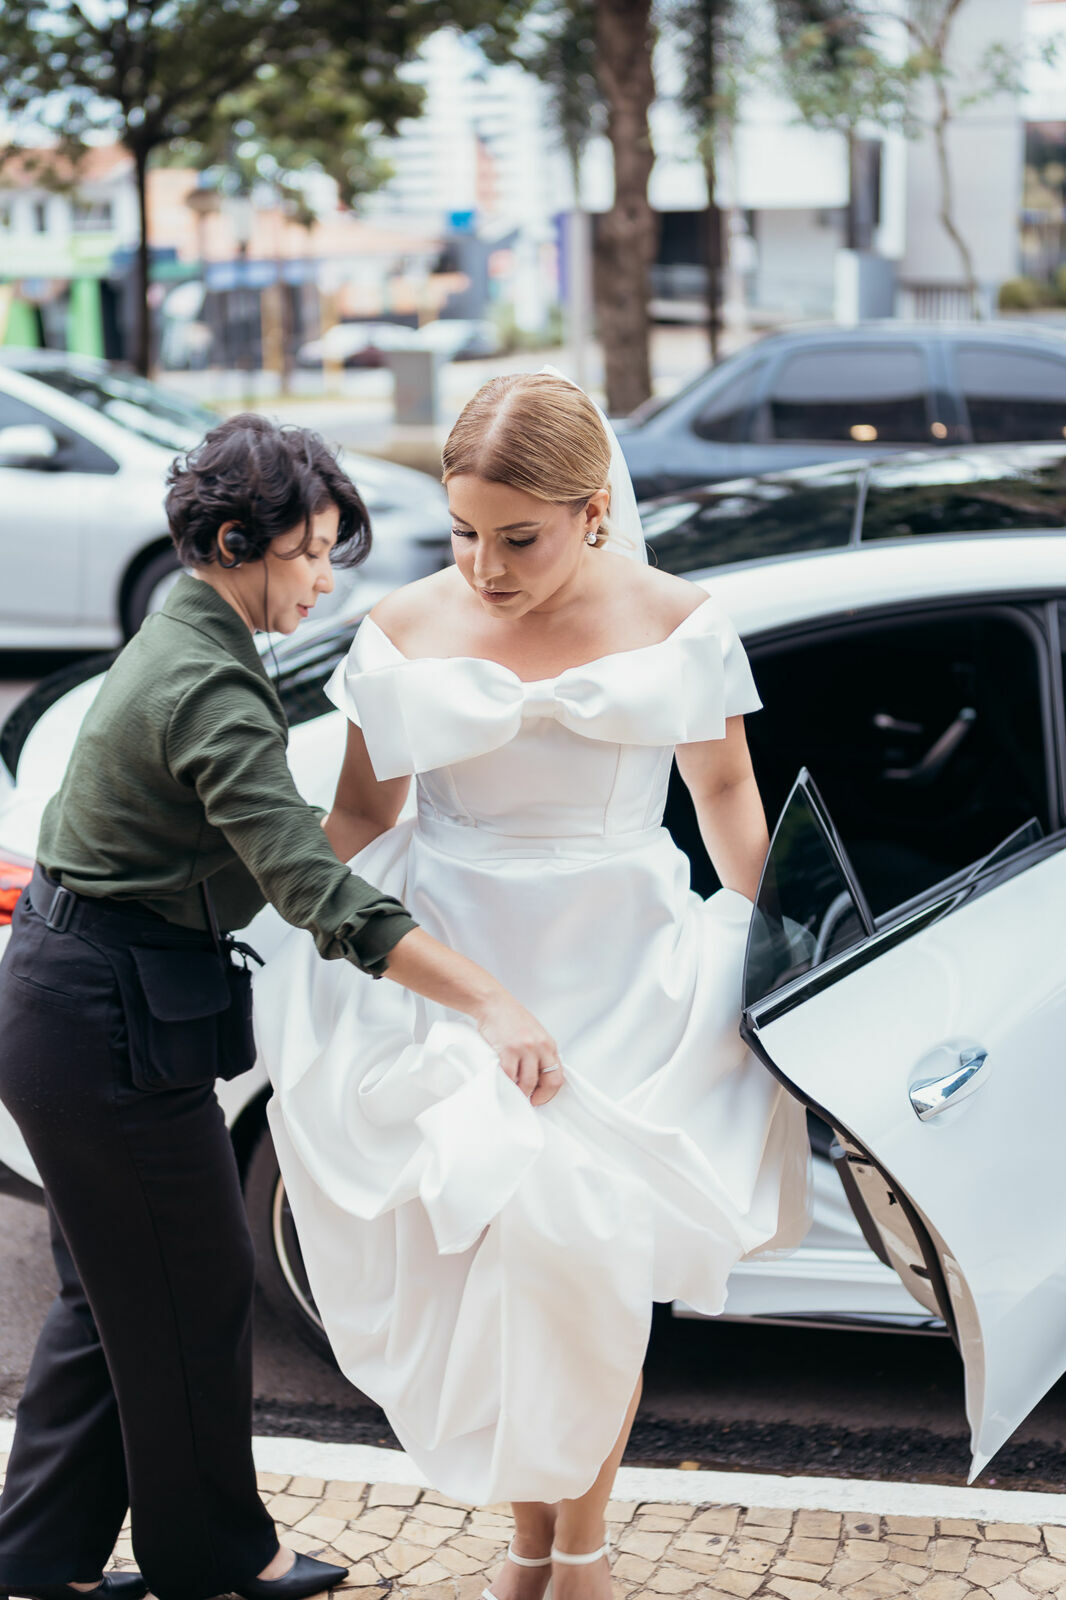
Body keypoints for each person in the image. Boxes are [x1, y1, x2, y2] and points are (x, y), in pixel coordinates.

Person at [257, 372, 812, 1600]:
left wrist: (779, 941)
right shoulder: (404, 627)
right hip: (459, 962)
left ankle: (580, 1548)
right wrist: (279, 925)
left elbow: (723, 790)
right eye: (464, 532)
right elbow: (360, 814)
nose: (485, 567)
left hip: (626, 970)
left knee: (594, 1266)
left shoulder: (679, 621)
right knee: (509, 1258)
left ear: (593, 510)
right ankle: (528, 1542)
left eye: (519, 537)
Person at [0, 415, 559, 1600]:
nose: (323, 579)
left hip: (72, 1002)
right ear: (234, 544)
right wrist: (488, 998)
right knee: (193, 1292)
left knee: (110, 1297)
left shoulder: (187, 631)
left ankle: (36, 1559)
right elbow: (311, 892)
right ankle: (215, 1559)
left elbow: (267, 830)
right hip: (104, 1024)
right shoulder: (210, 679)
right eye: (307, 553)